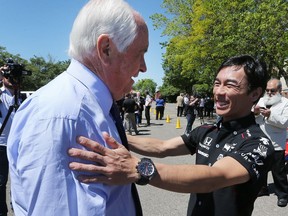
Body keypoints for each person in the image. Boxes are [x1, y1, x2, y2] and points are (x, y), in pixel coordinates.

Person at [68, 55, 275, 216]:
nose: (219, 92)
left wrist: (138, 169)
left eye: (230, 85)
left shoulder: (258, 143)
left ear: (255, 94)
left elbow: (213, 178)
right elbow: (161, 147)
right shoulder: (208, 130)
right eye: (217, 83)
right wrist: (112, 136)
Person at [7, 0, 148, 215]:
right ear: (106, 49)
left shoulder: (86, 106)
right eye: (140, 52)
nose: (144, 67)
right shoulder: (67, 115)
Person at [254, 78, 288, 207]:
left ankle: (283, 194)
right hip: (260, 141)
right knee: (260, 168)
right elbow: (255, 119)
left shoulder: (285, 103)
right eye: (267, 90)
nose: (268, 92)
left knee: (278, 172)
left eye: (272, 90)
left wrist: (270, 115)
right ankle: (262, 189)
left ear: (279, 90)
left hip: (276, 143)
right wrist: (255, 113)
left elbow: (285, 122)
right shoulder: (262, 100)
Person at [0, 65, 20, 216]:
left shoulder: (23, 97)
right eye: (8, 76)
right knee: (1, 183)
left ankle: (18, 209)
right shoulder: (0, 95)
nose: (11, 79)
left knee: (20, 180)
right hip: (1, 144)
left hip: (19, 146)